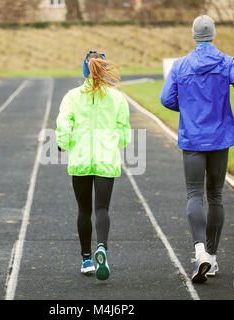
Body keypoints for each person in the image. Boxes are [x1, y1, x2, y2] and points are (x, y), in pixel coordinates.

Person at [160, 15, 234, 283]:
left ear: (193, 36)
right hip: (220, 137)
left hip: (192, 138)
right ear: (213, 35)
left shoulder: (180, 65)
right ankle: (211, 258)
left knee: (193, 194)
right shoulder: (226, 62)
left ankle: (199, 251)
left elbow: (166, 98)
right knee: (216, 197)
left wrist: (187, 110)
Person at [56, 51, 131, 280]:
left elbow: (63, 123)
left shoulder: (72, 96)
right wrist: (112, 143)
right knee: (102, 209)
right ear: (103, 69)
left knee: (84, 210)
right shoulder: (117, 98)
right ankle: (102, 248)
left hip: (80, 160)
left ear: (85, 70)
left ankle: (87, 259)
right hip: (106, 160)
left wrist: (63, 143)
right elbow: (124, 132)